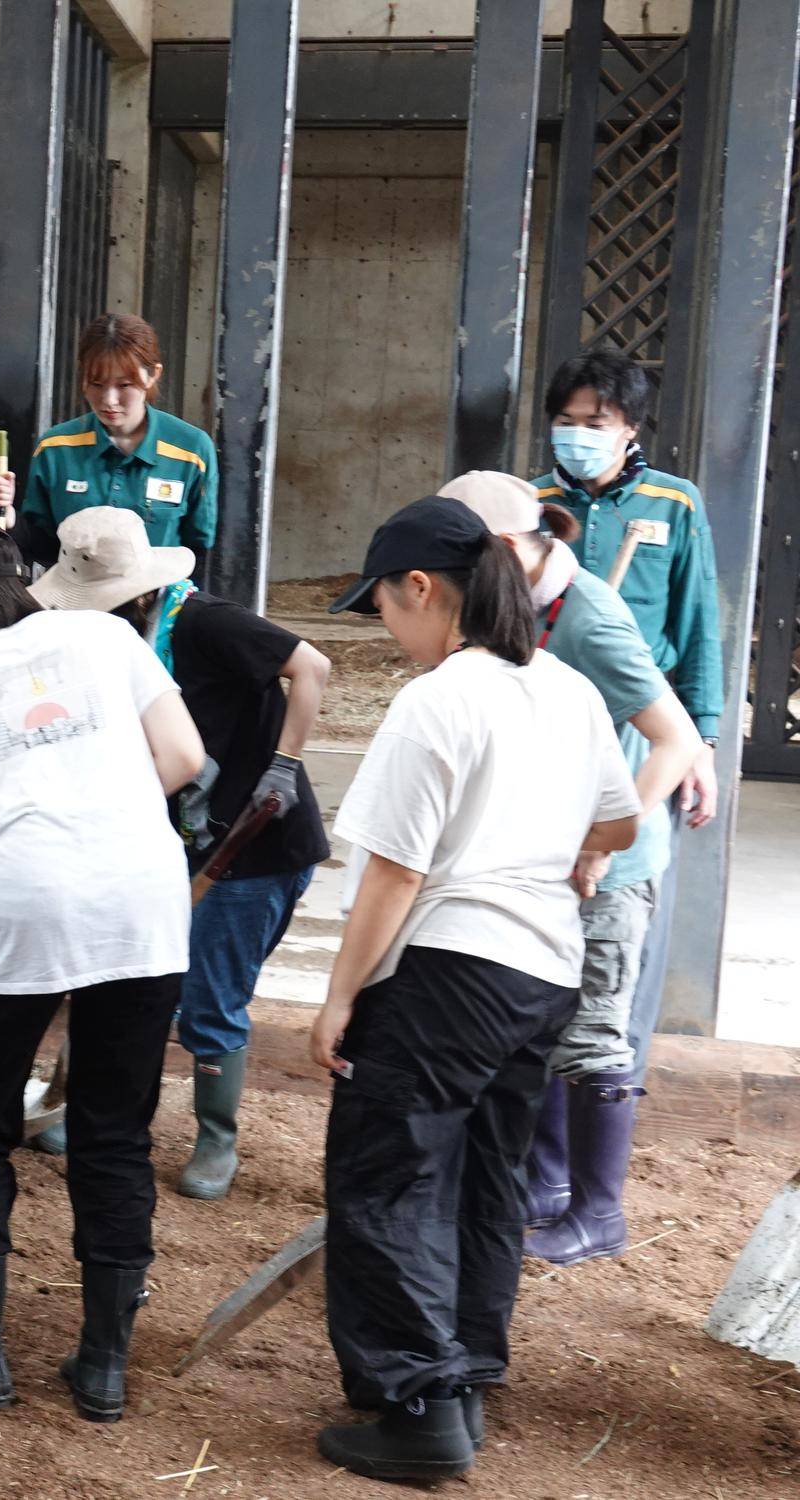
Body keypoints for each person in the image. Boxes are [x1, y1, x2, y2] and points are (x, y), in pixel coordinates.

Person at [309, 496, 641, 1481]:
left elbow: (392, 875)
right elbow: (618, 823)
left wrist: (337, 998)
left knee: (382, 1177)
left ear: (421, 589)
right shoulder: (566, 689)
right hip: (543, 970)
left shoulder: (438, 700)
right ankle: (467, 1367)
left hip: (450, 965)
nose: (384, 630)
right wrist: (565, 850)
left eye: (382, 607)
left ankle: (417, 1404)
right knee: (484, 1174)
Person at [0, 521, 205, 1423]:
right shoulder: (105, 634)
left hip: (22, 896)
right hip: (143, 898)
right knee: (114, 1132)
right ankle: (103, 1366)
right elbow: (184, 759)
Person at [26, 509, 331, 1200]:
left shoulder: (205, 623)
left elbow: (312, 665)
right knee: (124, 974)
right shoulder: (118, 640)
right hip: (179, 838)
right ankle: (88, 1105)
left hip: (257, 843)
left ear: (136, 592)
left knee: (209, 996)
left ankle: (215, 1142)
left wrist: (284, 765)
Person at [437, 472, 700, 1267]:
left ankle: (599, 1211)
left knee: (592, 1036)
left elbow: (676, 739)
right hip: (549, 854)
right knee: (549, 1024)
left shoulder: (590, 617)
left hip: (608, 871)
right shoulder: (523, 608)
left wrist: (604, 842)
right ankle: (544, 1186)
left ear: (508, 550)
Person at [533, 350, 722, 1093]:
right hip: (549, 723)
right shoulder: (533, 503)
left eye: (595, 423)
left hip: (643, 730)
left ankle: (605, 1092)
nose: (577, 436)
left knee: (622, 914)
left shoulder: (674, 505)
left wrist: (698, 741)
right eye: (565, 421)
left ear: (631, 429)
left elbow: (698, 625)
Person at [0, 313, 218, 572]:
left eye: (124, 385)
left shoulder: (192, 450)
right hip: (74, 601)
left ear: (153, 375)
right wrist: (9, 518)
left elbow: (197, 552)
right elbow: (42, 544)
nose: (109, 400)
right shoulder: (55, 448)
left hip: (158, 606)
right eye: (96, 384)